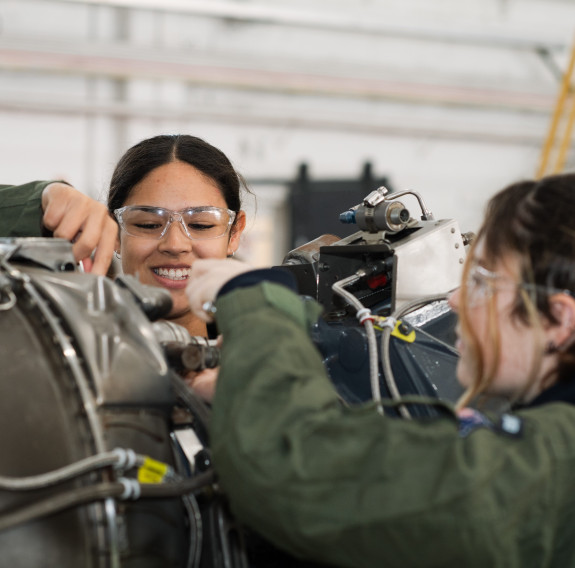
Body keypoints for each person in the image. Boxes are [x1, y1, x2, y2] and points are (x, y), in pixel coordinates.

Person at [185, 173, 575, 567]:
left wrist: (257, 305)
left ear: (558, 320)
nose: (456, 300)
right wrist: (252, 388)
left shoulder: (551, 462)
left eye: (481, 281)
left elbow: (302, 469)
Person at [0, 134, 248, 399]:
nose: (175, 244)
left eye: (201, 225)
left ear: (234, 234)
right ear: (115, 233)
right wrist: (38, 200)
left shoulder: (264, 357)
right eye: (148, 224)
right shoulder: (59, 349)